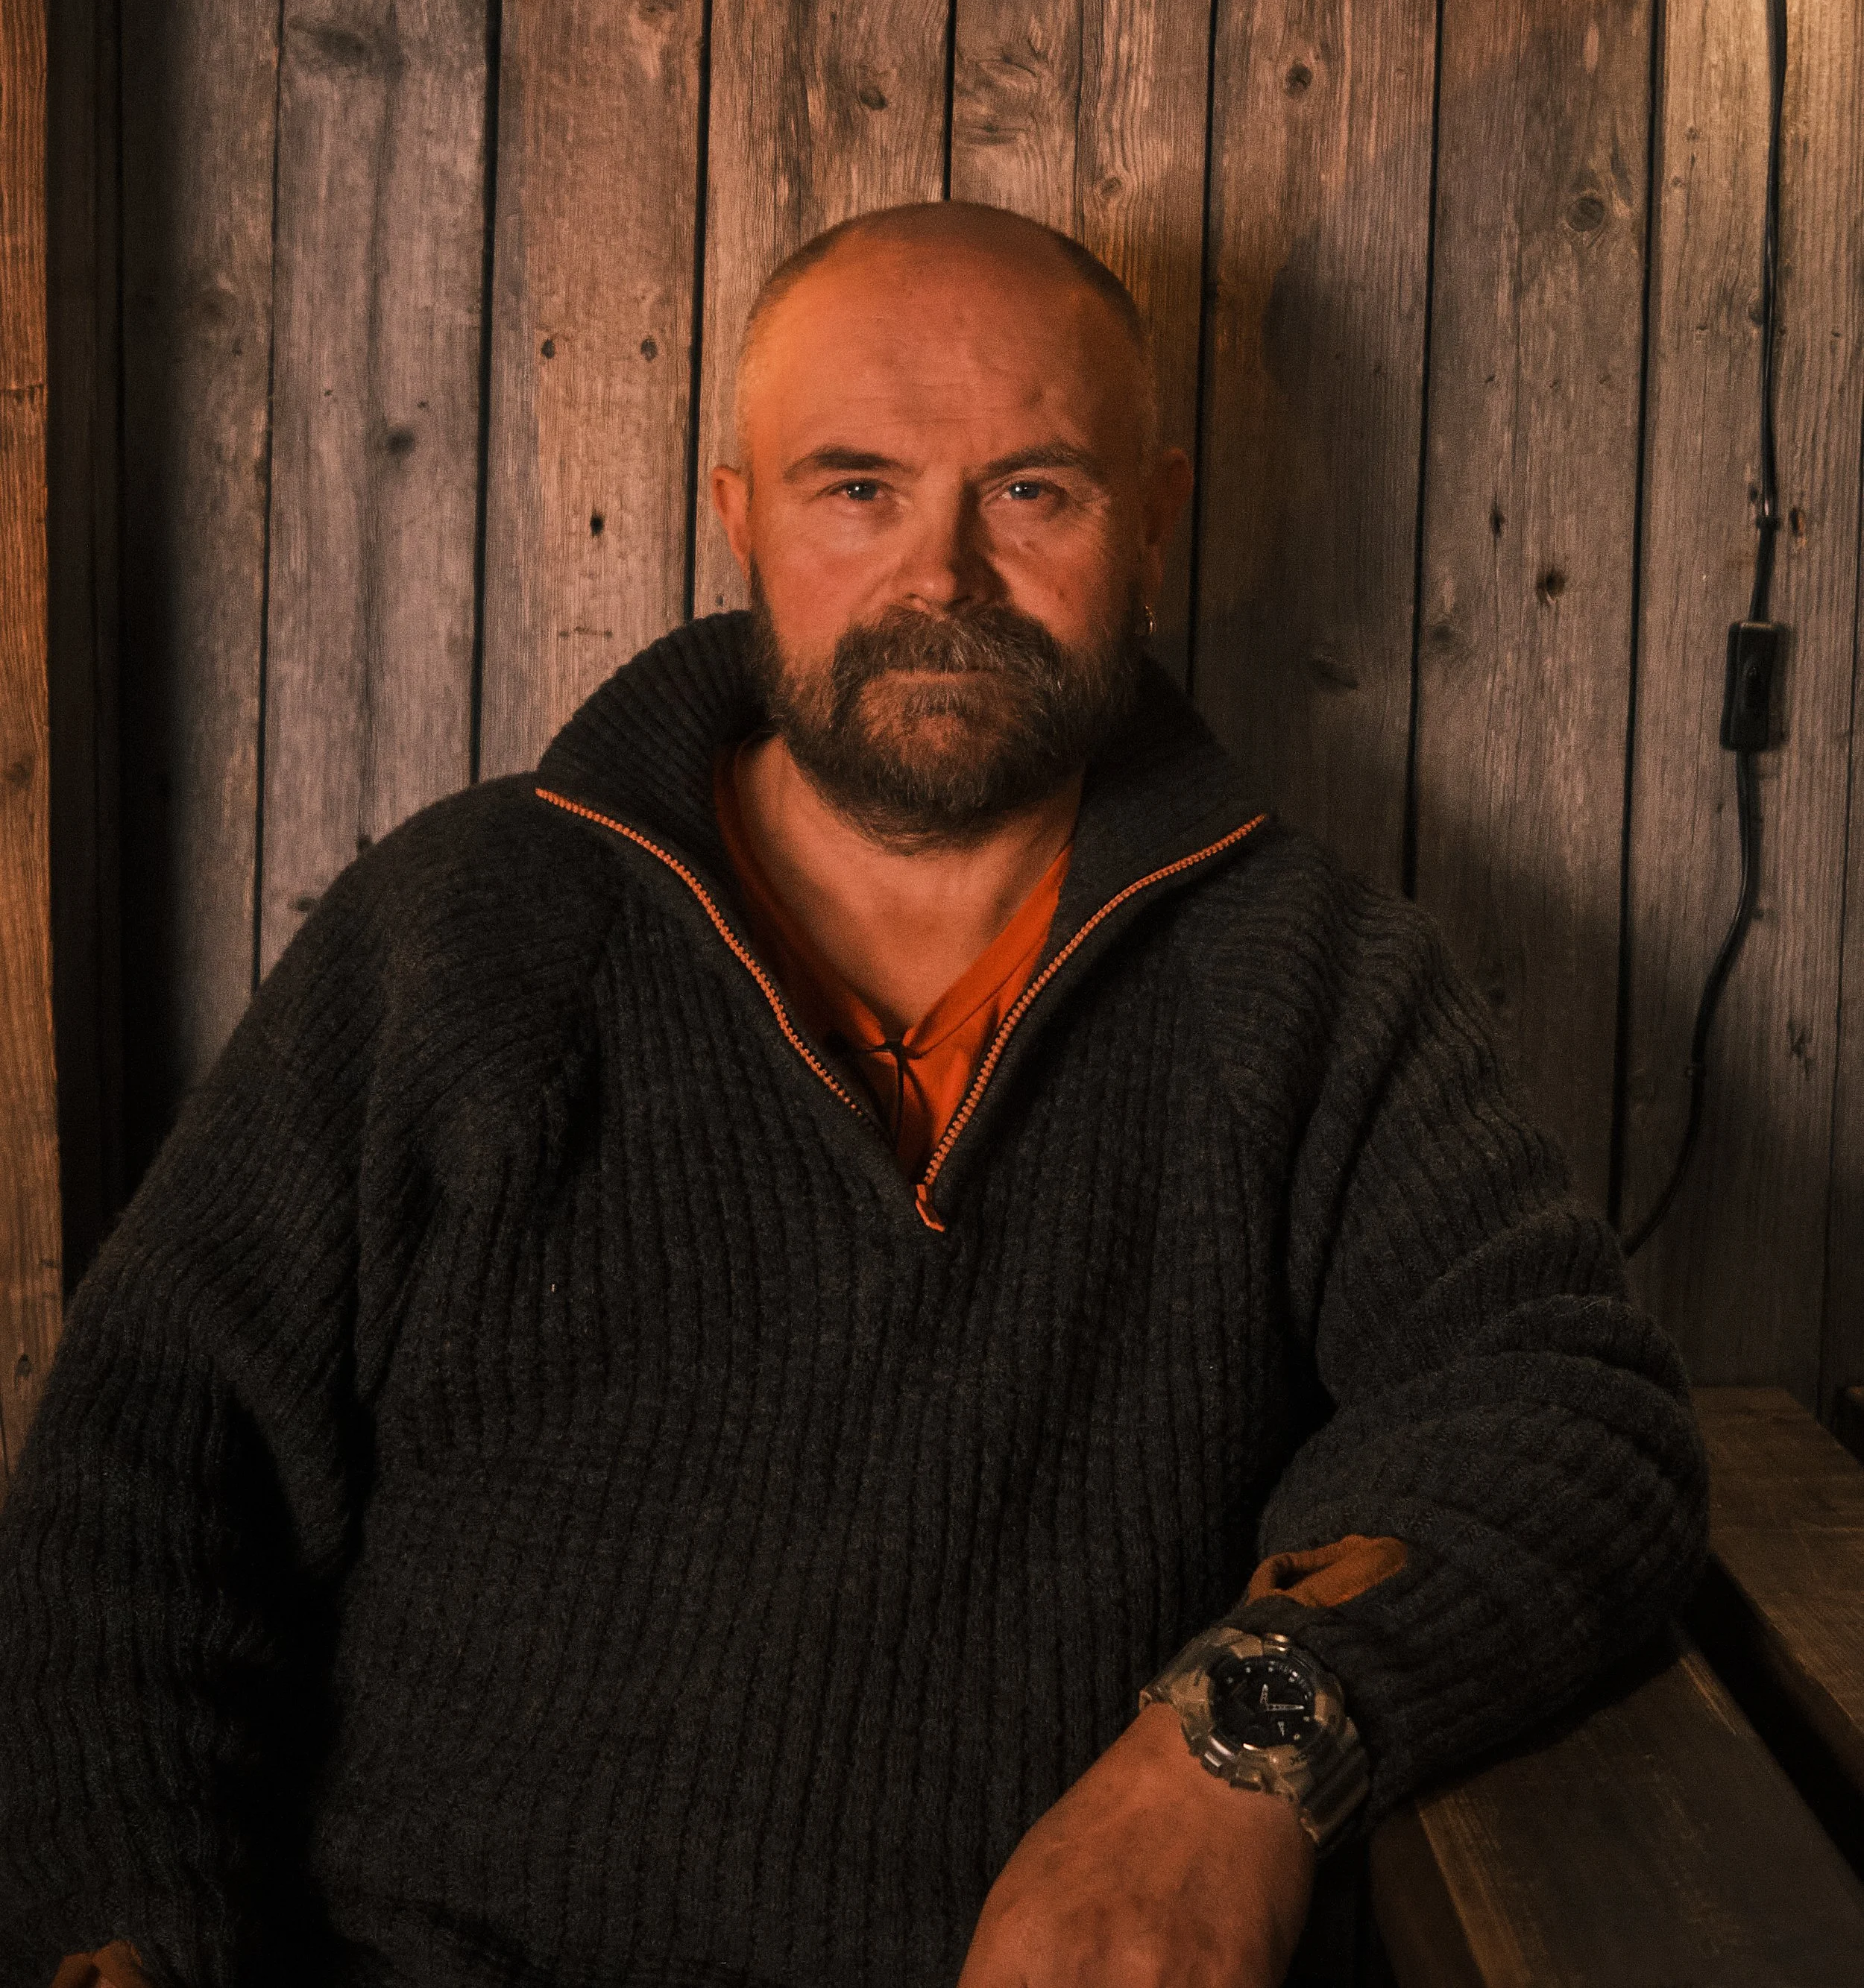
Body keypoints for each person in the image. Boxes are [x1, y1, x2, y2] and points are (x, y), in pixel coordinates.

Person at [0, 202, 1707, 1988]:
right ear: (738, 515)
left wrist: (1230, 1758)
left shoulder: (1309, 979)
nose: (944, 578)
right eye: (856, 488)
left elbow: (1560, 1406)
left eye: (1033, 489)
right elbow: (141, 1486)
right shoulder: (464, 935)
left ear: (1156, 521)